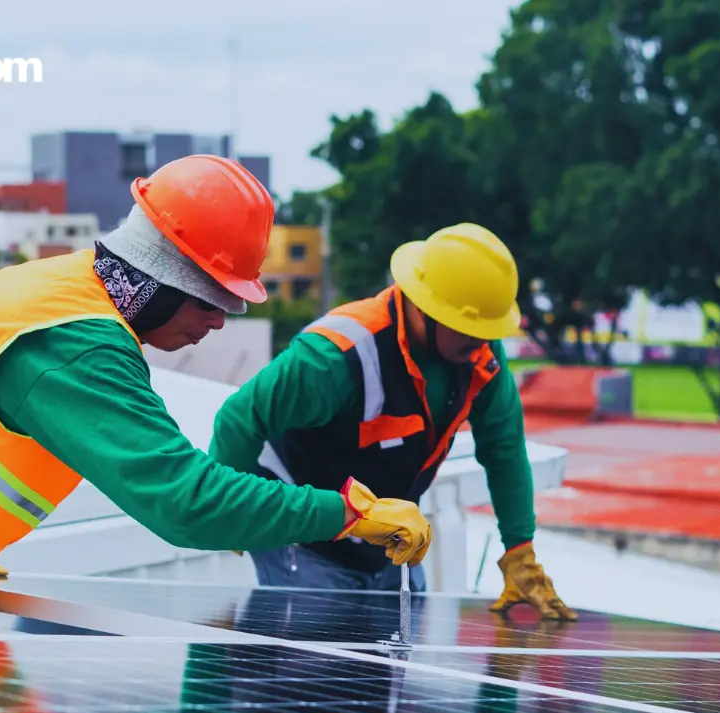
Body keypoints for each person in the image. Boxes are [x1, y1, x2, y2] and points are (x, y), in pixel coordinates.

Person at [0, 155, 431, 632]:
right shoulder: (78, 346)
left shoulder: (59, 285)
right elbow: (184, 503)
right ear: (167, 277)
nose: (219, 322)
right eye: (214, 300)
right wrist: (346, 512)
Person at [208, 222, 574, 620]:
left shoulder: (478, 356)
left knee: (390, 669)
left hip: (391, 543)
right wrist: (232, 516)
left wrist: (519, 550)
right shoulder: (337, 354)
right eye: (471, 329)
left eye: (488, 332)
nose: (483, 343)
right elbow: (239, 418)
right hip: (307, 541)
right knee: (320, 666)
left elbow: (503, 449)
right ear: (425, 308)